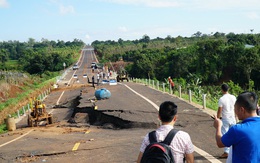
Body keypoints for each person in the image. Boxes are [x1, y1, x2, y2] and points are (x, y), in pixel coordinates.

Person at [213, 91, 260, 163]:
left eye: (235, 109)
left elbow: (220, 143)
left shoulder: (238, 129)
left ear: (242, 110)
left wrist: (218, 127)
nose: (235, 112)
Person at [216, 83, 236, 158]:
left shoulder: (222, 99)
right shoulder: (233, 97)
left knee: (225, 135)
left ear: (222, 90)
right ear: (228, 89)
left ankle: (226, 152)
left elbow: (219, 111)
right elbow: (235, 107)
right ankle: (233, 151)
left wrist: (217, 119)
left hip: (225, 119)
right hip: (232, 117)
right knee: (233, 135)